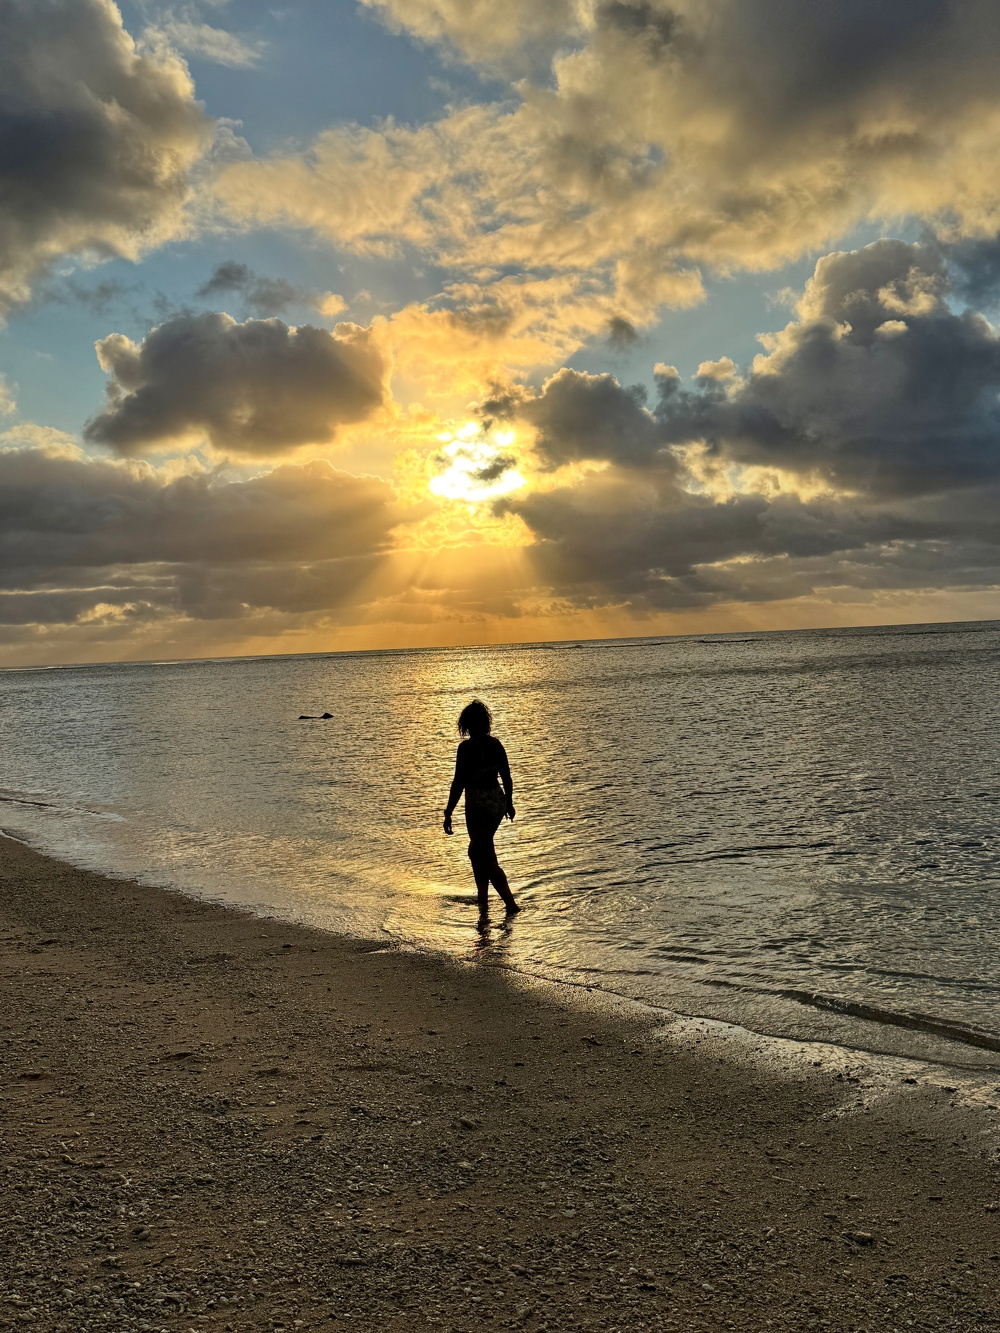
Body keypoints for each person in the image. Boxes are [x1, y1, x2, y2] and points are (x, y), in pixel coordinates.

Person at [443, 700, 520, 918]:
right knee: (481, 852)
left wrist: (448, 812)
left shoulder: (466, 748)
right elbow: (507, 777)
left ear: (466, 725)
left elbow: (458, 782)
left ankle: (510, 904)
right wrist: (510, 803)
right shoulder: (496, 744)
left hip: (477, 806)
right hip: (496, 803)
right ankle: (483, 902)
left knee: (479, 853)